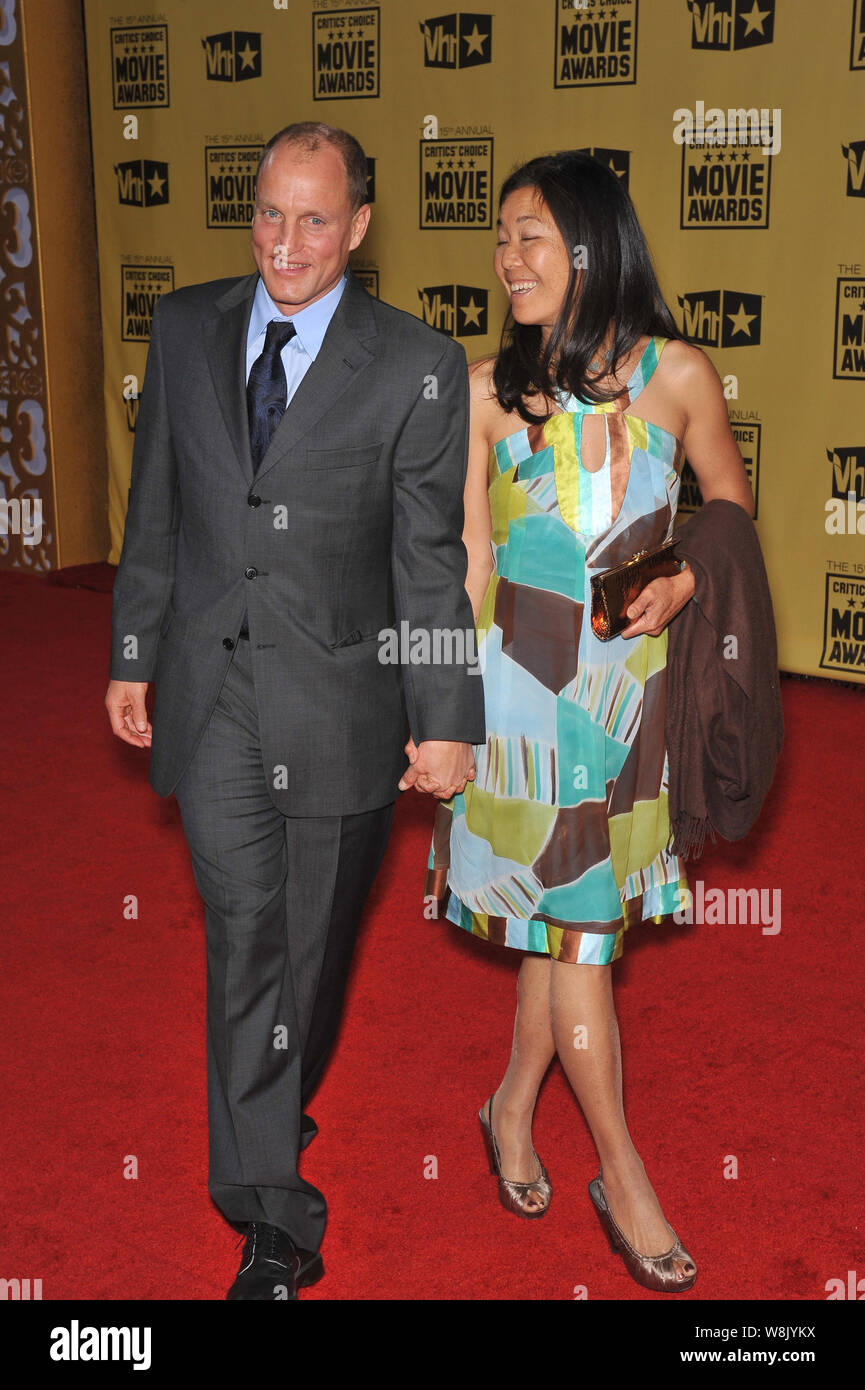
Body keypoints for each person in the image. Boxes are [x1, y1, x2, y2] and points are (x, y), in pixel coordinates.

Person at [105, 121, 483, 1300]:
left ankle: (274, 1086)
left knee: (304, 967)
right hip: (213, 690)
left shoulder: (417, 365)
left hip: (343, 706)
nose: (286, 242)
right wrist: (132, 648)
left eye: (314, 218)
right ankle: (274, 1215)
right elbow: (157, 503)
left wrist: (447, 714)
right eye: (269, 212)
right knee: (246, 942)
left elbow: (428, 559)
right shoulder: (184, 325)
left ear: (359, 227)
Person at [423, 151, 754, 1294]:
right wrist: (440, 713)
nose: (508, 258)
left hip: (626, 707)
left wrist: (689, 580)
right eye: (500, 238)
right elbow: (467, 559)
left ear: (592, 243)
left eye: (532, 236)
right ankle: (624, 1173)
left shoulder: (677, 376)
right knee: (576, 936)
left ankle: (510, 1106)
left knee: (568, 924)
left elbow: (732, 505)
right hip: (515, 707)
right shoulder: (478, 392)